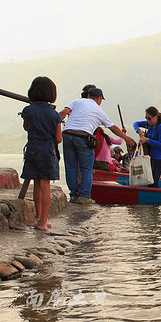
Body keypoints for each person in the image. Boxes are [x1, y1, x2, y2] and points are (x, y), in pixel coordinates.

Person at [59, 88, 135, 204]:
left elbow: (63, 113)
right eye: (101, 100)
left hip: (67, 134)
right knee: (86, 168)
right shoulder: (98, 110)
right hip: (83, 137)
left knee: (71, 167)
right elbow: (113, 128)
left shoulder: (76, 102)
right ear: (99, 98)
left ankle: (73, 195)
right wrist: (126, 137)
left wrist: (54, 127)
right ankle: (84, 196)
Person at [20, 77, 62, 231]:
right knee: (45, 186)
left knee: (36, 183)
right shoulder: (54, 114)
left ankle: (38, 219)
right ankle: (44, 221)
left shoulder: (28, 110)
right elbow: (58, 138)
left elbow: (26, 128)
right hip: (48, 150)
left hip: (32, 148)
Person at [133, 106, 161, 188]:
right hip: (150, 156)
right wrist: (138, 130)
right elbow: (135, 123)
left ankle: (157, 198)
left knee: (153, 182)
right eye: (146, 118)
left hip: (159, 158)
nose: (148, 120)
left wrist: (147, 140)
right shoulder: (149, 124)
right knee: (149, 180)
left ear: (155, 117)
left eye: (149, 118)